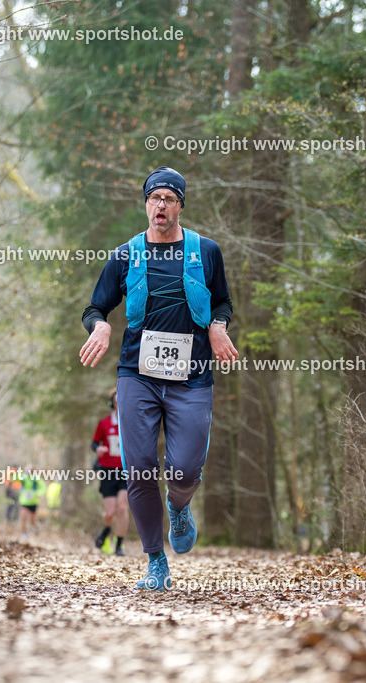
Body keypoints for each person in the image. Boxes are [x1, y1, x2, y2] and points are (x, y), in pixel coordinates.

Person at [79, 167, 238, 590]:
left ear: (180, 205)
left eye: (169, 198)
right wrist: (101, 326)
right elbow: (94, 308)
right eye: (154, 198)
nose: (161, 205)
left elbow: (222, 302)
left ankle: (180, 507)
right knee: (141, 469)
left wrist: (218, 325)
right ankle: (154, 561)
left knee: (184, 469)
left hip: (193, 376)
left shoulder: (206, 251)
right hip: (137, 375)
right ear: (145, 204)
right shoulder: (125, 254)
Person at [91, 388, 128, 556]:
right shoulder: (104, 423)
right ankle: (106, 530)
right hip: (107, 470)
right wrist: (99, 448)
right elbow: (94, 443)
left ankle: (119, 545)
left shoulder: (131, 422)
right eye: (116, 400)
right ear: (112, 403)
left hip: (127, 469)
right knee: (110, 512)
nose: (119, 403)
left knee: (122, 508)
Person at [17, 465, 46, 540]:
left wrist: (37, 493)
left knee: (32, 520)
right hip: (24, 501)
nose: (28, 472)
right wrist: (17, 472)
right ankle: (24, 533)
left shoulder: (36, 478)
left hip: (33, 502)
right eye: (27, 471)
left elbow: (43, 488)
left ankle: (36, 526)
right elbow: (13, 479)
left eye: (30, 471)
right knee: (23, 517)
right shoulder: (23, 477)